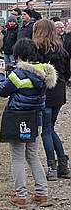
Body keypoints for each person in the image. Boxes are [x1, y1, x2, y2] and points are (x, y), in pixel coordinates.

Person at [0, 38, 56, 207]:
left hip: (17, 118)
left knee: (17, 158)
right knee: (33, 155)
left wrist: (0, 75)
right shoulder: (44, 71)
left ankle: (21, 195)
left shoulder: (18, 75)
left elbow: (2, 91)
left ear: (19, 55)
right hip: (35, 118)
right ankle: (42, 193)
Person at [33, 19, 71, 181]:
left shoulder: (37, 51)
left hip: (46, 93)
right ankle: (63, 165)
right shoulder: (61, 50)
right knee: (51, 128)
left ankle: (52, 166)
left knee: (46, 131)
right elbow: (67, 73)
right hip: (59, 91)